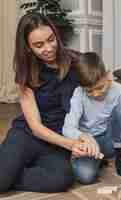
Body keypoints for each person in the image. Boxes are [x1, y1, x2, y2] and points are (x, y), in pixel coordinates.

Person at [0, 13, 86, 193]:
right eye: (39, 45)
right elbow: (35, 127)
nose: (48, 48)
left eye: (51, 39)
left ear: (55, 34)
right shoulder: (25, 73)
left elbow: (104, 83)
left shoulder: (77, 62)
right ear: (28, 48)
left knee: (61, 180)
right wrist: (71, 145)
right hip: (27, 135)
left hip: (57, 141)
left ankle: (10, 172)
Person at [62, 52, 121, 185]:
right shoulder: (78, 94)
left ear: (108, 76)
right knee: (86, 176)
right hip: (91, 145)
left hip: (112, 141)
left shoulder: (119, 90)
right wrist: (83, 137)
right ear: (82, 87)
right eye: (89, 91)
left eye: (99, 87)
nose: (96, 94)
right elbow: (67, 128)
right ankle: (98, 160)